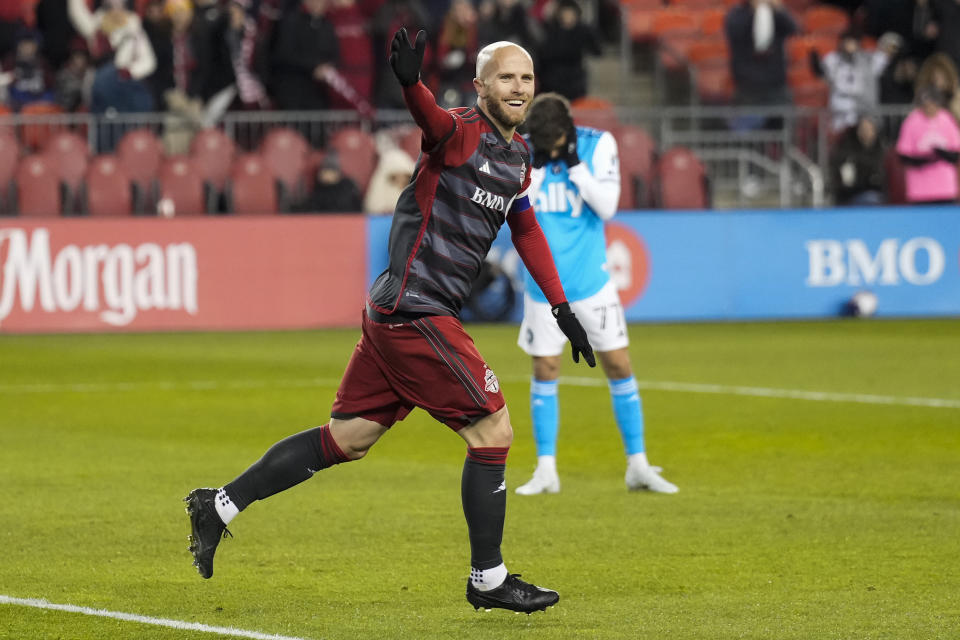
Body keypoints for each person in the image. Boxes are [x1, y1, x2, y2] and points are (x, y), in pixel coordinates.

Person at [184, 28, 596, 614]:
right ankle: (488, 578)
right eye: (506, 76)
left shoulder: (517, 158)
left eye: (526, 78)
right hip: (417, 309)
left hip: (394, 313)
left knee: (347, 439)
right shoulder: (459, 133)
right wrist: (409, 81)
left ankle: (218, 506)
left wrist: (561, 306)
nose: (518, 87)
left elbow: (525, 229)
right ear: (480, 86)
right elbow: (430, 119)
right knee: (493, 432)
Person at [511, 93, 677, 496]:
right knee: (545, 369)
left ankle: (637, 465)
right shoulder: (522, 151)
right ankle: (546, 469)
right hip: (542, 287)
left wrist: (573, 165)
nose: (545, 151)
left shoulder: (598, 144)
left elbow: (607, 207)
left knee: (618, 364)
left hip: (591, 283)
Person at [811, 29, 892, 133]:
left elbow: (884, 58)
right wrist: (816, 65)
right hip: (840, 107)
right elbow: (822, 74)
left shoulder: (867, 59)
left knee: (862, 134)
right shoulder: (833, 59)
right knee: (841, 137)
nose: (849, 45)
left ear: (858, 43)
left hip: (862, 107)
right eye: (847, 41)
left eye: (853, 42)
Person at [724, 0, 797, 112]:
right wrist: (756, 10)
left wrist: (777, 9)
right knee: (748, 126)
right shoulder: (737, 14)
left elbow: (793, 29)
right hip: (747, 87)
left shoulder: (776, 13)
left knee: (783, 123)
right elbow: (735, 32)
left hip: (776, 85)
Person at [895, 86, 960, 204]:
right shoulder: (912, 121)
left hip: (945, 189)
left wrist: (941, 153)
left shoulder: (947, 120)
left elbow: (955, 155)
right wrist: (924, 159)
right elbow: (903, 156)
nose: (929, 108)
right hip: (919, 191)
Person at [829, 114, 887, 206]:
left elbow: (881, 176)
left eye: (869, 129)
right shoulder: (847, 147)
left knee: (873, 199)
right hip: (849, 193)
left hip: (874, 192)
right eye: (863, 129)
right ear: (858, 131)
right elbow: (837, 166)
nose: (866, 132)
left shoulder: (880, 150)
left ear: (874, 131)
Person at [292, 151, 362, 213]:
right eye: (324, 171)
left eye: (330, 171)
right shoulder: (319, 190)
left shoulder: (347, 189)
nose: (326, 175)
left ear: (338, 173)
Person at [362, 147, 416, 214]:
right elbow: (374, 207)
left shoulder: (413, 191)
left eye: (404, 175)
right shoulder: (380, 188)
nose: (400, 179)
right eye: (396, 176)